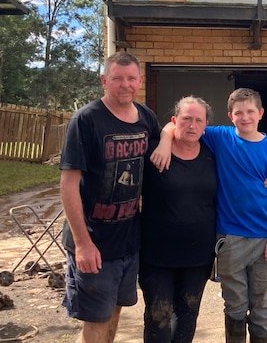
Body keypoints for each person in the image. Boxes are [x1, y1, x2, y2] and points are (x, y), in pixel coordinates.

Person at [152, 87, 267, 343]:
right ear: (230, 116)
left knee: (262, 305)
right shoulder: (221, 137)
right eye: (239, 113)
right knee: (235, 304)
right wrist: (163, 141)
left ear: (260, 113)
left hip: (264, 239)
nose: (245, 117)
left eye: (250, 112)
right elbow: (177, 126)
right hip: (230, 239)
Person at [59, 51, 160, 343]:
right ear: (104, 81)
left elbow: (166, 139)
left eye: (131, 78)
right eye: (117, 78)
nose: (125, 84)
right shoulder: (86, 120)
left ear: (140, 81)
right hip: (94, 242)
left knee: (115, 311)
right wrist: (82, 244)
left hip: (128, 240)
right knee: (96, 319)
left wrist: (165, 139)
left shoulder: (146, 117)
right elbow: (68, 184)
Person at [140, 96, 217, 343]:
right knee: (158, 318)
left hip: (198, 258)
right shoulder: (153, 154)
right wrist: (164, 139)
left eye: (198, 120)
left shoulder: (213, 155)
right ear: (174, 121)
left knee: (187, 317)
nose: (192, 125)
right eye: (186, 119)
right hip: (156, 257)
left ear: (206, 125)